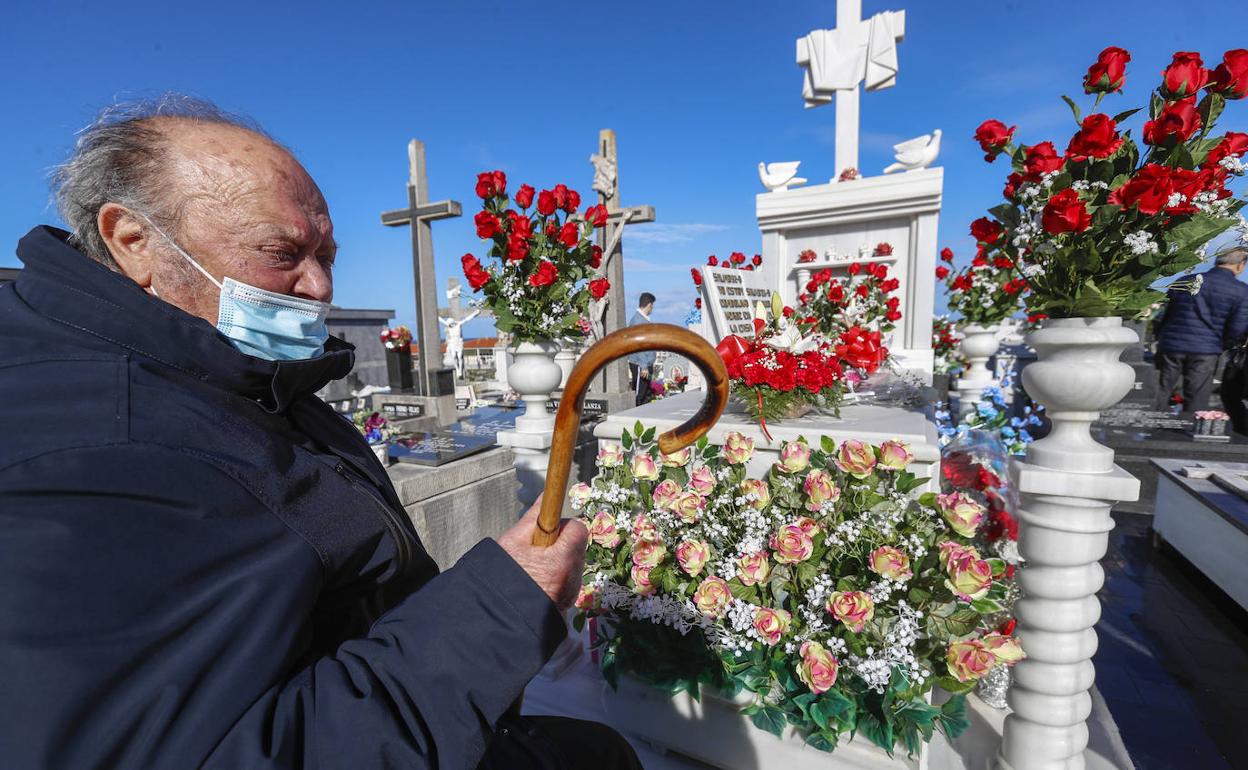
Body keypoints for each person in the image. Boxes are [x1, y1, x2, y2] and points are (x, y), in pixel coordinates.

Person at [0, 96, 641, 770]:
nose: (319, 285)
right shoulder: (96, 450)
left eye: (327, 254)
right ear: (134, 241)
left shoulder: (230, 370)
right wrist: (499, 609)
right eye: (283, 253)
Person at [1154, 245, 1248, 415]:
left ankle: (1150, 427)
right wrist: (1221, 345)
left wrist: (1160, 336)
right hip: (1206, 350)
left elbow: (1162, 314)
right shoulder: (1241, 291)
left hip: (1171, 344)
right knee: (1196, 397)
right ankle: (1190, 433)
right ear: (1240, 265)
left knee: (1160, 391)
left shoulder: (1186, 280)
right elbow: (1238, 328)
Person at [627, 292, 656, 406]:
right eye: (652, 305)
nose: (652, 308)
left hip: (644, 364)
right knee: (640, 395)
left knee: (646, 394)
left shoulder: (641, 319)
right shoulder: (639, 321)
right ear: (649, 305)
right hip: (641, 365)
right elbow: (639, 345)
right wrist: (643, 366)